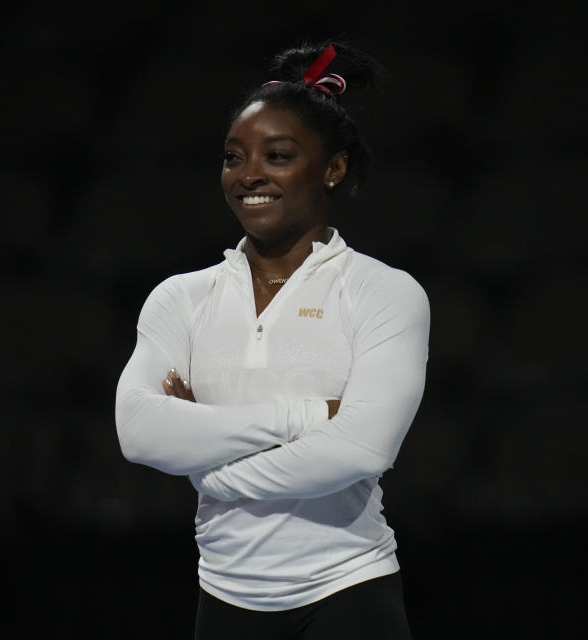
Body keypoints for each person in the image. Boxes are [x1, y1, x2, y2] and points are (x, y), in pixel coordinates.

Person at [114, 40, 429, 640]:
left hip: (347, 590)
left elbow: (360, 451)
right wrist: (308, 417)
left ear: (332, 168)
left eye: (277, 155)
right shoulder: (181, 298)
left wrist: (211, 468)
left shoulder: (383, 291)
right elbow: (138, 431)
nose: (249, 174)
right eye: (234, 157)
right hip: (224, 595)